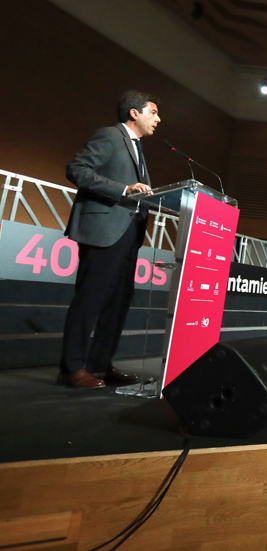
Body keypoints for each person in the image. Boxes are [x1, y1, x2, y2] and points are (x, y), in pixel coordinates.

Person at [59, 90, 160, 389]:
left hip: (130, 233)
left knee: (118, 303)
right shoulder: (109, 137)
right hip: (103, 230)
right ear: (134, 113)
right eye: (152, 112)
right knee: (90, 300)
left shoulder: (138, 148)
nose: (158, 119)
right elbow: (76, 170)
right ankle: (71, 368)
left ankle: (100, 365)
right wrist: (124, 189)